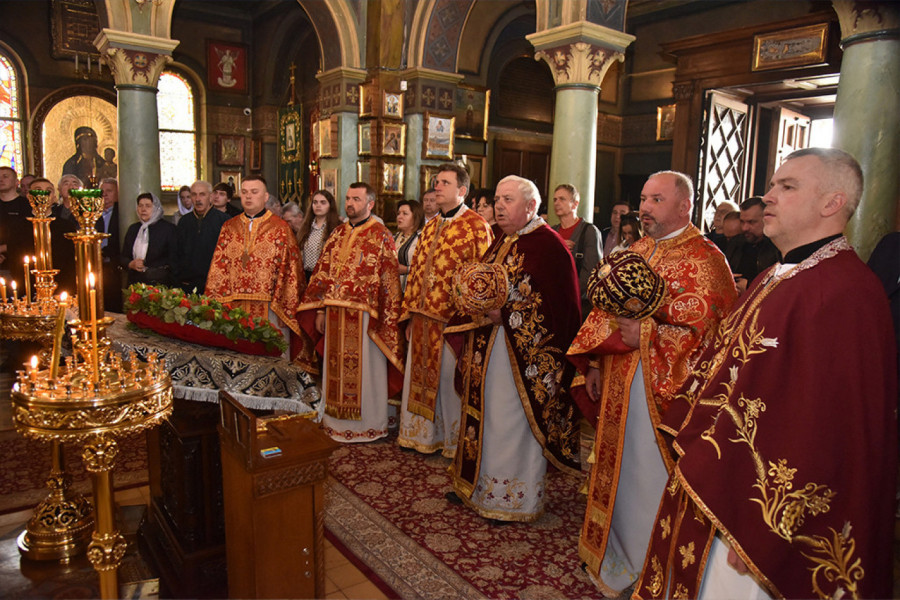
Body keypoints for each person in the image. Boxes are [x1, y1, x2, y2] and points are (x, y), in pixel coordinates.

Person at [635, 148, 897, 599]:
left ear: (832, 203)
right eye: (773, 184)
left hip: (759, 509)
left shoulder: (846, 292)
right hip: (723, 478)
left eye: (788, 187)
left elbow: (829, 426)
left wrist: (771, 524)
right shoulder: (777, 274)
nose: (769, 195)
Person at [567, 170, 737, 596]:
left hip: (661, 398)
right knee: (619, 471)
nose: (644, 208)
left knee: (648, 474)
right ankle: (615, 555)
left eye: (656, 200)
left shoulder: (707, 259)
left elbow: (708, 336)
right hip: (619, 383)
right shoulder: (637, 249)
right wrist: (593, 364)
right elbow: (605, 309)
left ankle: (653, 565)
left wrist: (644, 335)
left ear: (685, 206)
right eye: (643, 199)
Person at [445, 175, 582, 522]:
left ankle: (511, 498)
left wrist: (504, 312)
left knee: (510, 419)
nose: (500, 206)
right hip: (489, 348)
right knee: (486, 415)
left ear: (531, 206)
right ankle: (477, 485)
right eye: (497, 199)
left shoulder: (548, 246)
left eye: (507, 200)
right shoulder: (502, 240)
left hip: (521, 357)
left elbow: (557, 309)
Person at [297, 182, 404, 443]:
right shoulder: (337, 234)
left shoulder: (381, 235)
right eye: (347, 198)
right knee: (334, 369)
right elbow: (323, 274)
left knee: (367, 371)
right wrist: (321, 309)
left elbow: (389, 281)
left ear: (370, 204)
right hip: (334, 315)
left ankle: (370, 424)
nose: (349, 204)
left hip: (367, 318)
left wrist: (384, 317)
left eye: (356, 199)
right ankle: (335, 422)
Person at [398, 163, 493, 456]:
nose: (436, 187)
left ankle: (453, 443)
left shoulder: (477, 226)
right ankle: (422, 437)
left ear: (461, 191)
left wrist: (470, 321)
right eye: (436, 182)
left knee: (448, 382)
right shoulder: (430, 226)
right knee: (421, 379)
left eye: (444, 183)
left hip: (453, 321)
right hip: (423, 318)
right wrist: (411, 311)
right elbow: (416, 272)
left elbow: (483, 276)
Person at [205, 175, 304, 344]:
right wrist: (216, 305)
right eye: (244, 192)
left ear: (265, 197)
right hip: (233, 307)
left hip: (270, 308)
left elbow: (291, 272)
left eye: (254, 192)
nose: (248, 196)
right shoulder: (229, 227)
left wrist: (285, 306)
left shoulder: (280, 229)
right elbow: (218, 268)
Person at [551, 183, 602, 320]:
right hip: (553, 301)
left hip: (578, 303)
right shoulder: (552, 232)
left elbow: (591, 271)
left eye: (562, 199)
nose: (557, 203)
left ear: (575, 204)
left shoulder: (589, 232)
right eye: (555, 199)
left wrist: (569, 294)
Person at [174, 180, 229, 294]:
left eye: (202, 194)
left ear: (211, 196)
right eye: (194, 194)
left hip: (215, 284)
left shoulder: (224, 221)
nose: (198, 199)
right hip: (188, 284)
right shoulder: (184, 222)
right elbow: (176, 253)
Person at [27, 177, 78, 294]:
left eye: (48, 191)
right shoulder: (18, 226)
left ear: (54, 197)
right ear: (29, 196)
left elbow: (70, 261)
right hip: (28, 288)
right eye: (38, 190)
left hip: (61, 287)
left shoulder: (66, 226)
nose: (43, 195)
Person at [725, 196, 781, 293]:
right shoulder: (736, 242)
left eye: (751, 222)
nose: (745, 228)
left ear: (766, 219)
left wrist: (749, 286)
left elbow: (779, 285)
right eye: (742, 222)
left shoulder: (778, 247)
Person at [121, 192, 178, 286]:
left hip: (160, 283)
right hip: (135, 283)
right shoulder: (133, 229)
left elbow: (174, 260)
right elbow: (123, 256)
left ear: (156, 208)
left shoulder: (168, 229)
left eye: (148, 206)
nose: (143, 209)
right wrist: (130, 264)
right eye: (140, 206)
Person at [296, 189, 341, 282]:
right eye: (315, 202)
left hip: (326, 277)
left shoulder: (337, 227)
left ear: (330, 206)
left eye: (323, 202)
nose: (318, 205)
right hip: (306, 275)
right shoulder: (306, 227)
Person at [0, 166, 33, 272]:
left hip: (19, 262)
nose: (1, 180)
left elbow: (28, 235)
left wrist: (4, 248)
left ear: (16, 182)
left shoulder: (27, 205)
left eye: (5, 176)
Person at [96, 177, 122, 312]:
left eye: (109, 191)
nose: (104, 194)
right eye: (102, 191)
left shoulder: (122, 213)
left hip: (114, 265)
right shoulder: (93, 212)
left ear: (117, 193)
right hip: (95, 264)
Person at [394, 199, 424, 291]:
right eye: (398, 213)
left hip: (412, 289)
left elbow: (426, 266)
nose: (400, 217)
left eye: (405, 214)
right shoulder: (396, 237)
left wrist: (407, 269)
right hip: (394, 288)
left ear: (415, 217)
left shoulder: (422, 238)